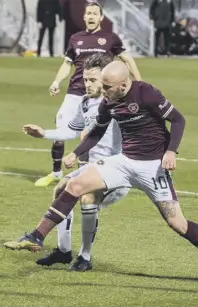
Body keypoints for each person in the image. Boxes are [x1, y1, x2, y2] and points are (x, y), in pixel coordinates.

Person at [4, 61, 198, 285]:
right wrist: (76, 154)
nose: (104, 90)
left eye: (108, 87)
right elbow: (97, 132)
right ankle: (37, 236)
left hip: (153, 167)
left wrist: (171, 151)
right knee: (74, 185)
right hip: (123, 161)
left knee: (177, 223)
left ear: (123, 84)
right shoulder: (108, 101)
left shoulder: (146, 93)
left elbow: (178, 120)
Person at [20, 54, 129, 271]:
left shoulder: (118, 106)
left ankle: (85, 258)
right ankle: (63, 251)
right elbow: (71, 129)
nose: (87, 84)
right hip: (91, 169)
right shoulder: (85, 103)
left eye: (93, 80)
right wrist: (43, 133)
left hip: (116, 171)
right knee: (61, 190)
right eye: (85, 80)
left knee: (87, 197)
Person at [34, 2, 141, 188]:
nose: (90, 16)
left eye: (94, 14)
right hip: (75, 92)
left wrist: (138, 83)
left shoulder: (110, 38)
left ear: (101, 17)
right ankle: (57, 173)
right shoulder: (76, 38)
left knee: (91, 135)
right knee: (60, 132)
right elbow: (67, 64)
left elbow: (127, 59)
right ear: (84, 17)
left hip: (101, 95)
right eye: (88, 13)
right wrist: (56, 81)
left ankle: (95, 175)